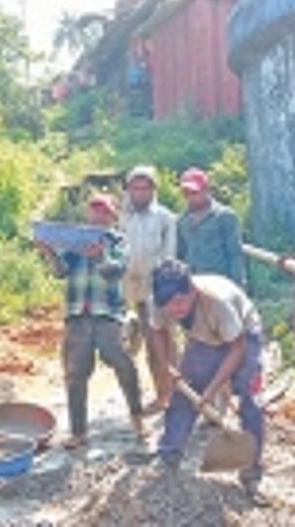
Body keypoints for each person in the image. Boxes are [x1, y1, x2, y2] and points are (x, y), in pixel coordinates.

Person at [35, 193, 144, 449]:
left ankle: (137, 417)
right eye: (94, 211)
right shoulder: (75, 242)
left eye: (104, 212)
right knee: (76, 373)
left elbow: (115, 271)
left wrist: (99, 256)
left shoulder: (117, 242)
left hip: (106, 313)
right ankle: (78, 431)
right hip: (77, 314)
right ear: (89, 214)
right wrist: (49, 252)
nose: (98, 216)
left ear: (112, 216)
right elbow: (60, 272)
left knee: (121, 362)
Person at [149, 258, 265, 498]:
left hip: (243, 335)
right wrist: (167, 366)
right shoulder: (159, 301)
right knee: (183, 395)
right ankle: (168, 456)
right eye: (168, 306)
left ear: (192, 290)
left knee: (251, 403)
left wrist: (211, 390)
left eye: (180, 302)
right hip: (204, 337)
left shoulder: (217, 302)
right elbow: (158, 330)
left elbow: (236, 349)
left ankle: (251, 472)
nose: (174, 310)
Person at [119, 165, 179, 415]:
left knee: (162, 345)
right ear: (128, 190)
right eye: (135, 188)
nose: (140, 193)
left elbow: (169, 256)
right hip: (126, 288)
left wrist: (164, 291)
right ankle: (149, 396)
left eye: (145, 188)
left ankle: (171, 395)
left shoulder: (165, 218)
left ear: (153, 190)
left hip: (156, 289)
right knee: (133, 348)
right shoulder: (121, 217)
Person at [176, 167, 246, 288]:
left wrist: (238, 285)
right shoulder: (182, 221)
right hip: (194, 284)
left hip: (221, 283)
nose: (190, 197)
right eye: (186, 193)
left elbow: (235, 254)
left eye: (194, 192)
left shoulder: (224, 216)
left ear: (206, 190)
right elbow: (181, 253)